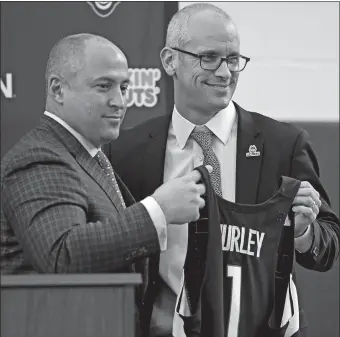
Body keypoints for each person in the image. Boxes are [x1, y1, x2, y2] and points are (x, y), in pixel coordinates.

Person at [110, 3, 340, 337]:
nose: (224, 72)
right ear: (169, 60)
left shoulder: (283, 144)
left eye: (233, 60)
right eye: (209, 58)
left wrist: (303, 233)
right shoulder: (127, 152)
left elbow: (328, 245)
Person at [0, 33, 210, 280]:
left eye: (123, 88)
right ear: (57, 90)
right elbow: (62, 257)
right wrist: (159, 210)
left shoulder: (88, 154)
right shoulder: (39, 157)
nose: (119, 102)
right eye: (103, 86)